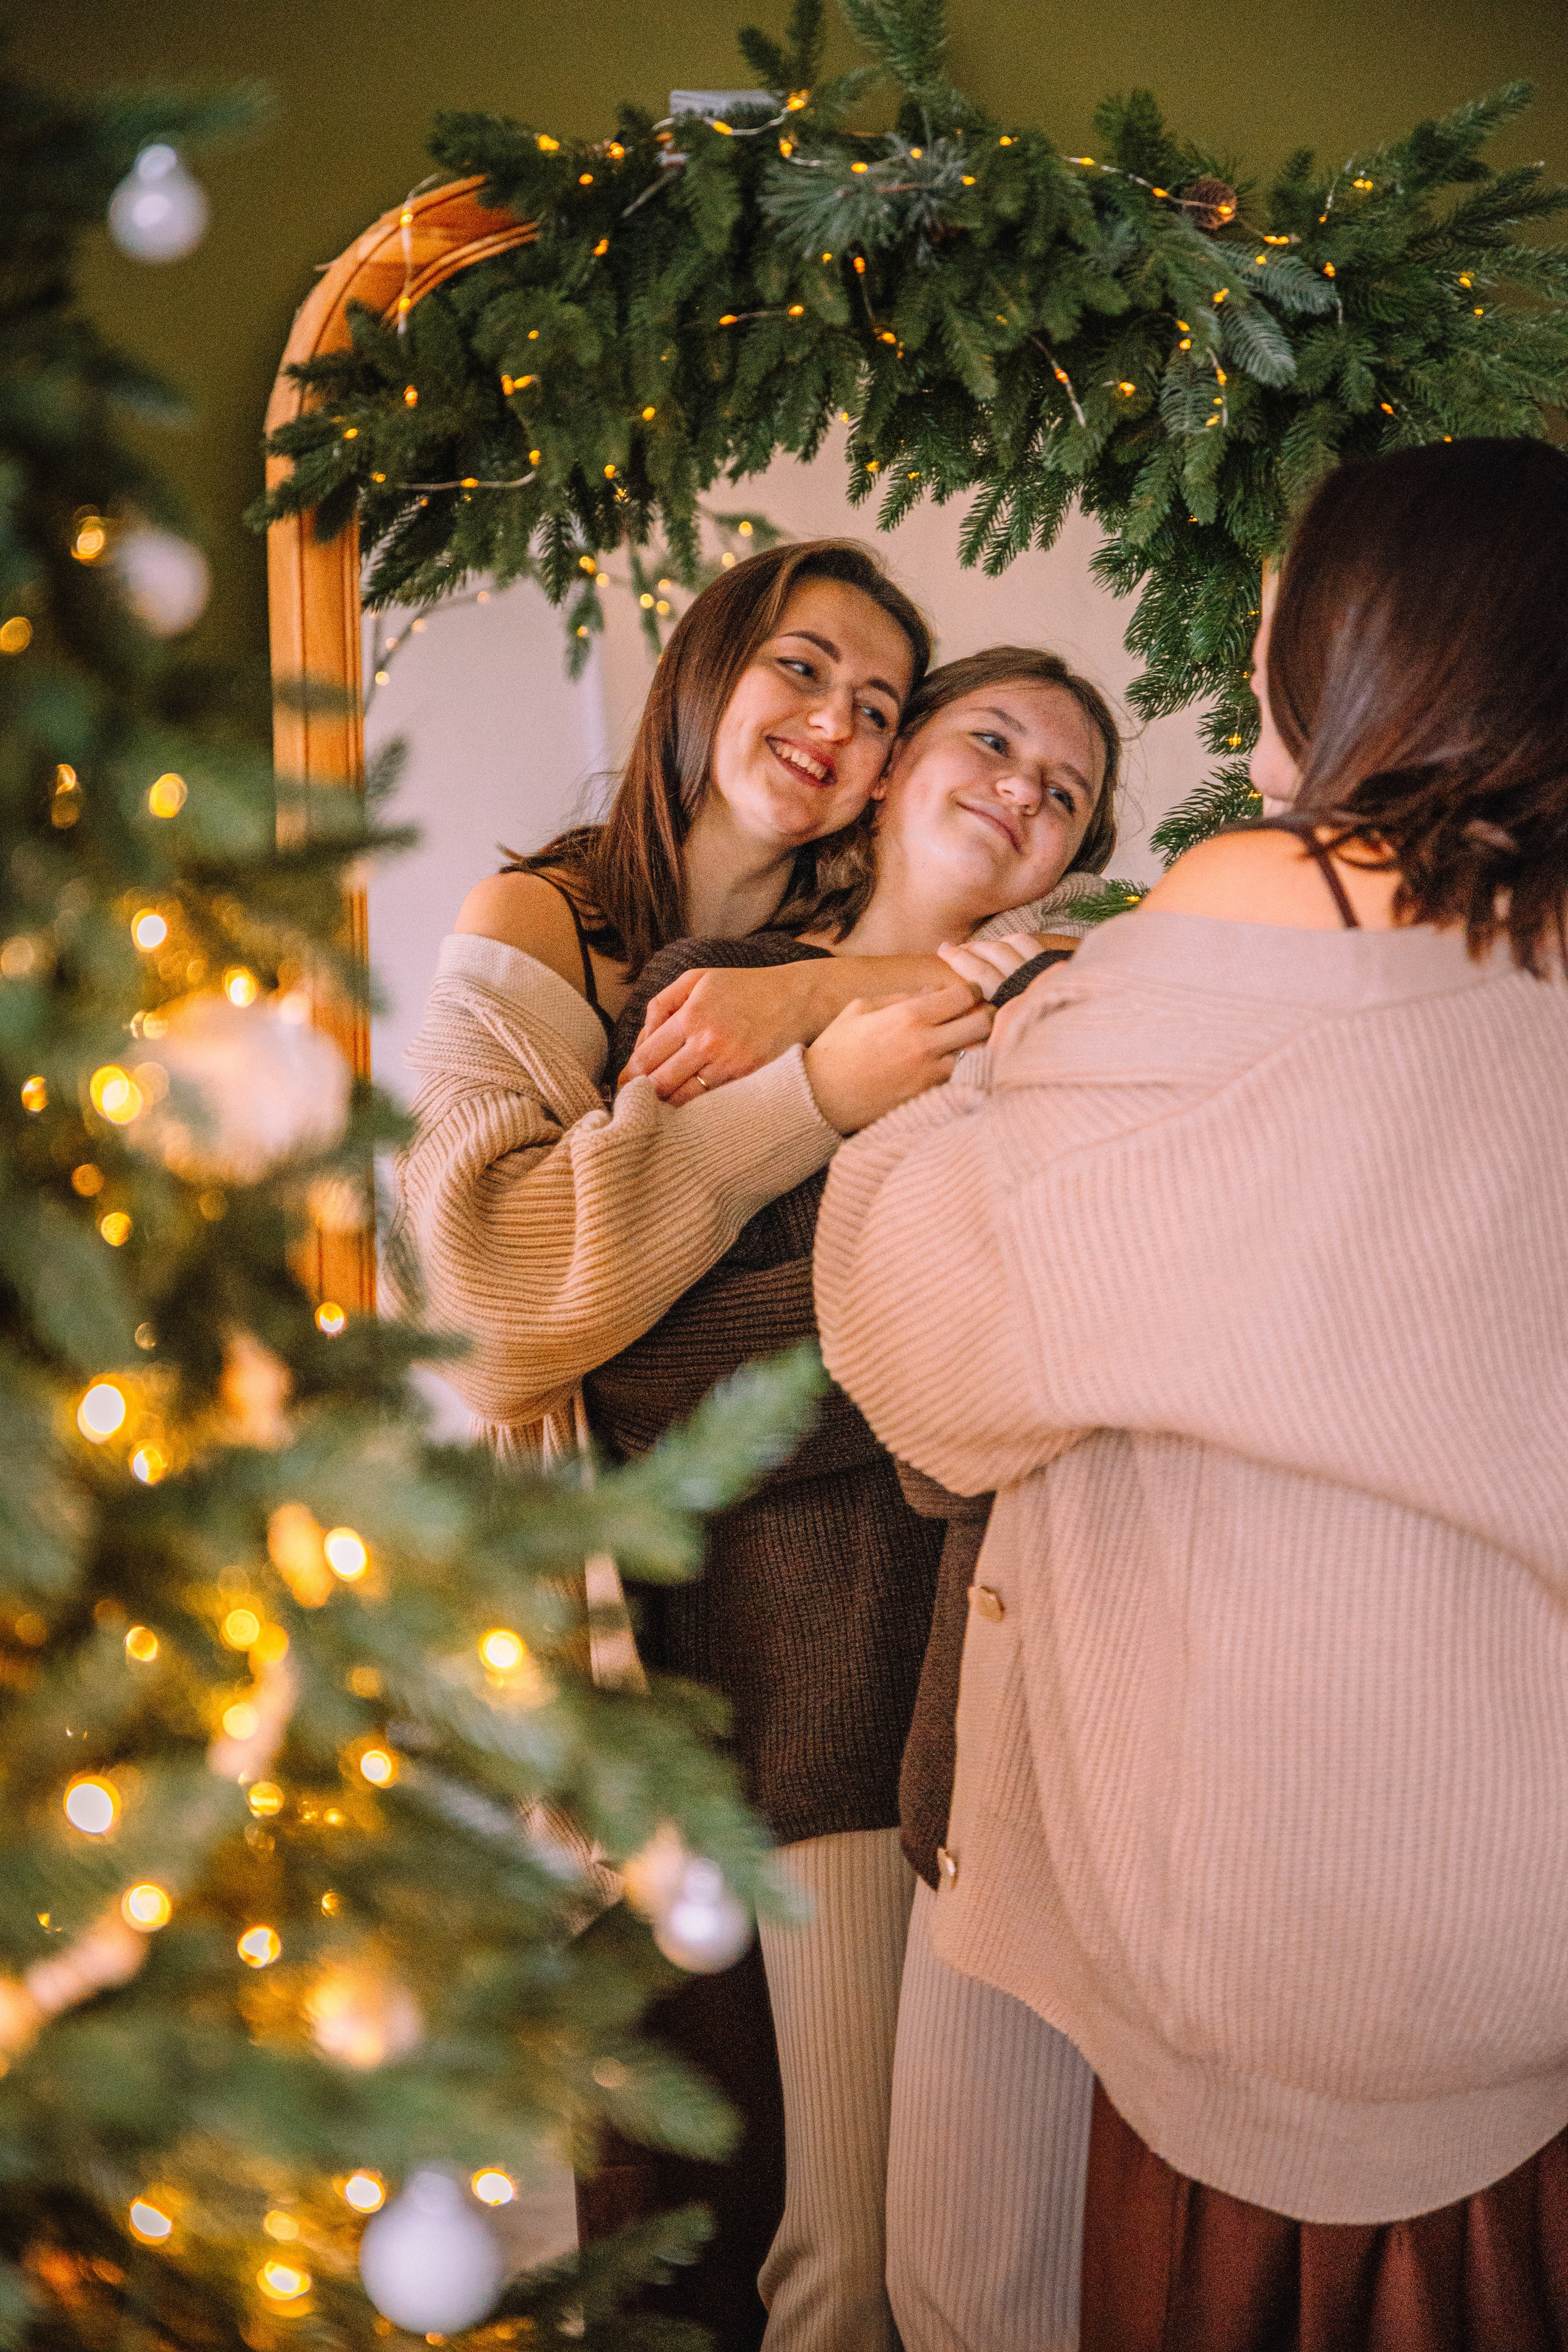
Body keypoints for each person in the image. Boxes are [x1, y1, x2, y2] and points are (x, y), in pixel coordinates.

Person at [814, 434, 1568, 2352]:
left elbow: (923, 1353)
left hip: (1268, 1932)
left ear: (1356, 660)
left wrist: (961, 1093)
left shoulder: (1235, 916)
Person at [394, 543, 1071, 2346]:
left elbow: (1041, 962)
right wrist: (813, 1089)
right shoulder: (546, 921)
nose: (834, 723)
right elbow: (499, 1305)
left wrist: (812, 1006)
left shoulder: (845, 971)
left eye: (875, 703)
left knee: (809, 2200)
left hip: (821, 1682)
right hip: (607, 1637)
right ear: (703, 675)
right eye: (802, 668)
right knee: (643, 2196)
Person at [590, 645, 1119, 2352]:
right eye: (992, 742)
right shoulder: (722, 988)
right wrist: (935, 1340)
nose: (1023, 794)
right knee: (842, 2262)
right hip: (814, 1710)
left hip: (1011, 1725)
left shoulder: (1079, 1021)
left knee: (985, 2260)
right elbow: (651, 1374)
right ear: (889, 775)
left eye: (1066, 794)